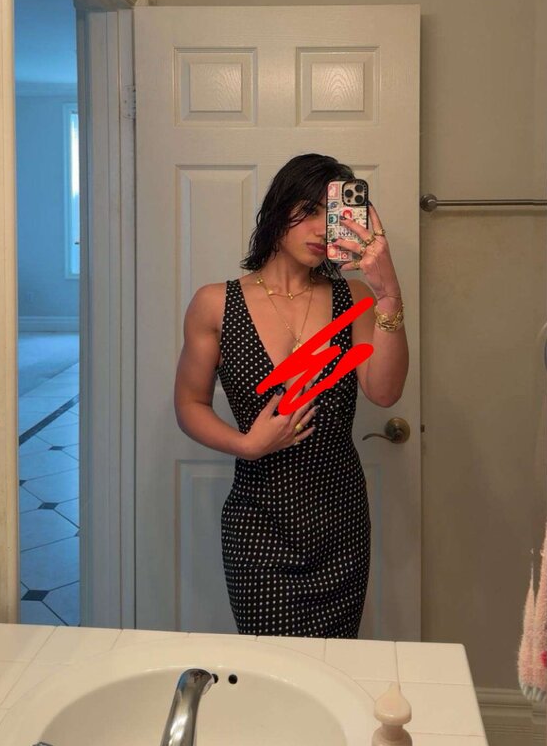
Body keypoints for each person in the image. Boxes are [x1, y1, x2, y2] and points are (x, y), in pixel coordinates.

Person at [174, 153, 409, 638]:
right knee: (271, 666)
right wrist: (246, 445)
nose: (322, 229)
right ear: (279, 209)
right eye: (309, 210)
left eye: (334, 213)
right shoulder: (215, 304)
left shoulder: (355, 298)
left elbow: (385, 392)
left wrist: (389, 294)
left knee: (333, 664)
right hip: (258, 522)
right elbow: (189, 404)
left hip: (341, 521)